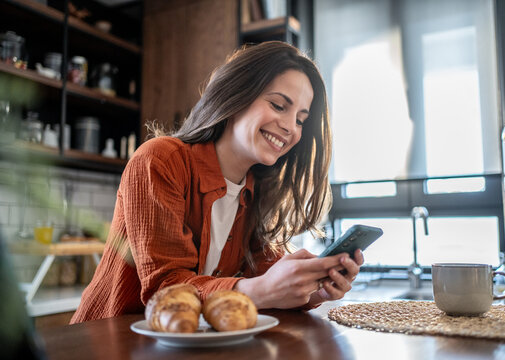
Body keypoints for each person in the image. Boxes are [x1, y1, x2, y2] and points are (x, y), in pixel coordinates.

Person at [71, 41, 364, 323]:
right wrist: (262, 290)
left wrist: (314, 290)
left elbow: (266, 281)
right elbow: (166, 290)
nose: (290, 127)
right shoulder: (159, 161)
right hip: (108, 342)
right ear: (236, 96)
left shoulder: (259, 191)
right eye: (278, 105)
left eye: (300, 119)